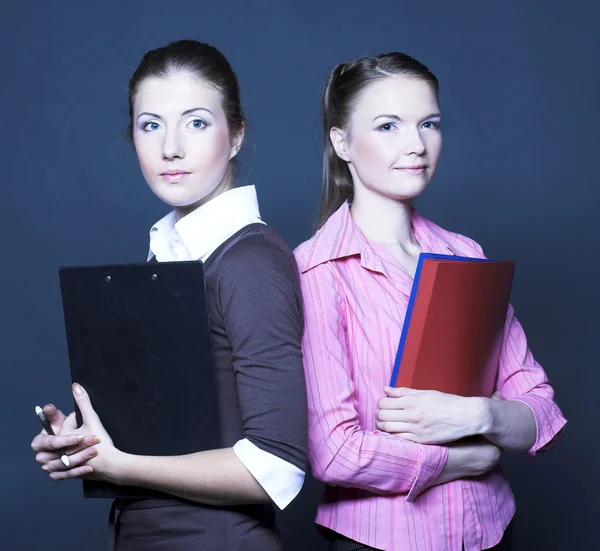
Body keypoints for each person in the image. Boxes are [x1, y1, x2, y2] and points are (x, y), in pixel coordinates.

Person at [31, 39, 307, 551]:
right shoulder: (167, 259)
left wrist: (125, 466)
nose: (170, 148)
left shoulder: (249, 261)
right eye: (150, 124)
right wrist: (83, 444)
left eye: (197, 122)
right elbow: (180, 428)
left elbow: (278, 467)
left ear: (237, 134)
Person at [294, 52, 567, 551]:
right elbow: (334, 453)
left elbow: (540, 410)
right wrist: (465, 458)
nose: (416, 144)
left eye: (429, 123)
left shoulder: (465, 255)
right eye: (388, 126)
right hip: (378, 542)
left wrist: (476, 418)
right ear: (342, 142)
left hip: (491, 531)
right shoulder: (317, 271)